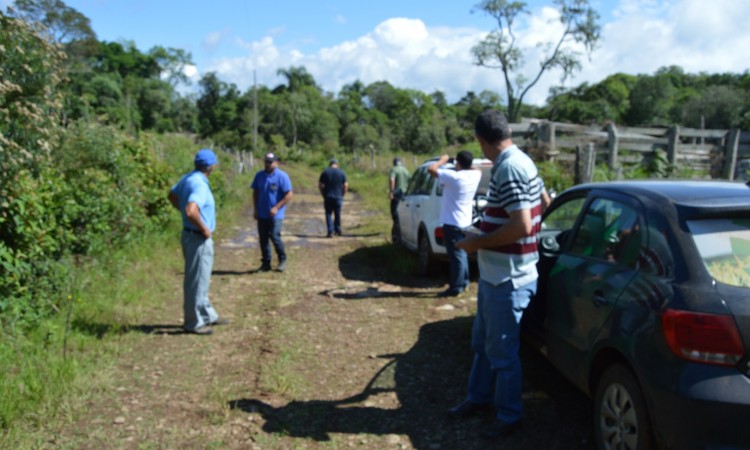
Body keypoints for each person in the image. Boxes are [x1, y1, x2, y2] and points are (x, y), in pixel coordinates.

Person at [448, 110, 545, 439]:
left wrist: (478, 242)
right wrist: (485, 233)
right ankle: (478, 398)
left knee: (502, 353)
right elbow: (542, 202)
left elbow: (522, 225)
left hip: (509, 277)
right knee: (482, 343)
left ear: (481, 140)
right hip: (497, 274)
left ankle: (509, 415)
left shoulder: (509, 168)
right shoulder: (523, 161)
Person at [168, 149, 229, 335]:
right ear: (211, 167)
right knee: (196, 281)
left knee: (201, 278)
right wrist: (203, 228)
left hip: (189, 234)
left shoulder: (188, 178)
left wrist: (188, 218)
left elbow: (171, 195)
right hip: (197, 237)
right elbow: (191, 210)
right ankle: (193, 322)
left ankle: (207, 314)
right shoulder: (200, 185)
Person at [427, 151, 481, 296]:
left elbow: (431, 169)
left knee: (456, 256)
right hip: (465, 221)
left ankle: (456, 287)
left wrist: (442, 161)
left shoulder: (454, 177)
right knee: (462, 254)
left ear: (458, 162)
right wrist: (463, 164)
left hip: (452, 222)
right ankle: (464, 282)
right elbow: (477, 168)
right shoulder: (475, 175)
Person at [251, 152, 293, 272]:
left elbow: (289, 194)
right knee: (263, 238)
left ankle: (282, 259)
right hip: (262, 212)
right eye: (266, 161)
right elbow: (255, 192)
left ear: (276, 163)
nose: (268, 164)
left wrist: (277, 207)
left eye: (271, 162)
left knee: (274, 235)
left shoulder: (282, 176)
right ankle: (266, 263)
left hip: (276, 214)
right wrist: (255, 209)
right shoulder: (259, 175)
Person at [319, 158, 349, 237]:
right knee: (337, 213)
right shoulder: (342, 172)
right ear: (337, 164)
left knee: (328, 213)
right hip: (338, 196)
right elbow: (346, 185)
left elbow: (320, 185)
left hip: (328, 196)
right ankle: (338, 230)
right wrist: (342, 194)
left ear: (330, 164)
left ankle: (330, 231)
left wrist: (323, 194)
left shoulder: (325, 172)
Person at [389, 157, 410, 224]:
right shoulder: (405, 170)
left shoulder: (394, 170)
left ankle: (397, 225)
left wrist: (392, 192)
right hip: (405, 193)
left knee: (395, 210)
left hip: (397, 192)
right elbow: (410, 180)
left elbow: (392, 179)